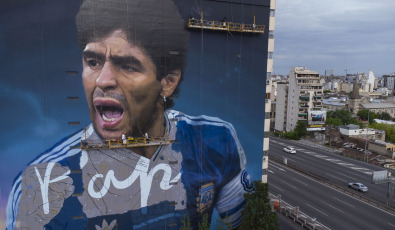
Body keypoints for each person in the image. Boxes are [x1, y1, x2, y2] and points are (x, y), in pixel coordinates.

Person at [6, 0, 252, 229]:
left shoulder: (215, 140)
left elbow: (250, 222)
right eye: (93, 62)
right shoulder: (41, 185)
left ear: (168, 82)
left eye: (127, 66)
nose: (103, 80)